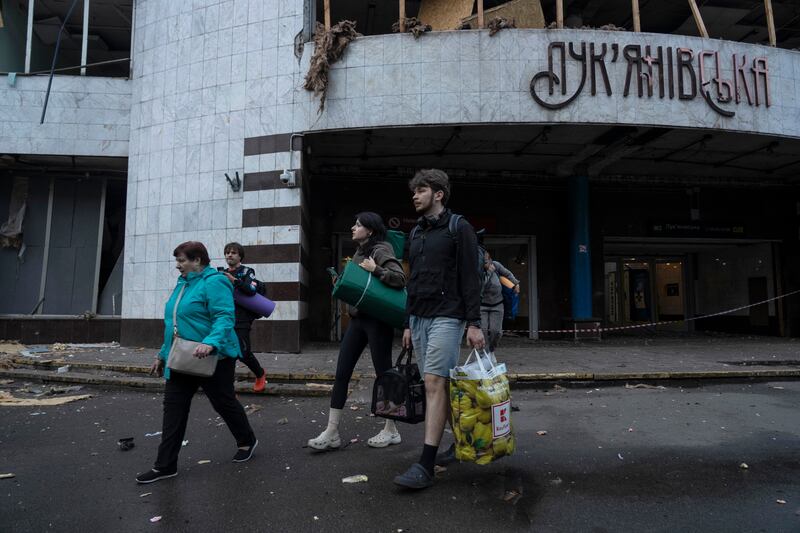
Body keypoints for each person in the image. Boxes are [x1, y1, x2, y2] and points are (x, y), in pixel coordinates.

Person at [136, 241, 258, 484]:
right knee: (173, 409)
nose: (178, 266)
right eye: (177, 261)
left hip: (214, 357)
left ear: (198, 261)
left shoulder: (215, 282)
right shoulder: (182, 284)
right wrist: (162, 355)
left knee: (223, 402)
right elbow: (173, 325)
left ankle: (247, 440)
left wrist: (210, 342)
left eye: (182, 261)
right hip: (181, 356)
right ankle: (165, 465)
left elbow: (224, 317)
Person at [393, 169, 485, 490]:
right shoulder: (416, 232)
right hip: (419, 316)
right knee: (441, 385)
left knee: (433, 381)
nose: (414, 196)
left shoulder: (459, 228)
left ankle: (426, 464)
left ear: (438, 194)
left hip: (448, 315)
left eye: (420, 191)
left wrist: (473, 322)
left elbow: (470, 277)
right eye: (414, 192)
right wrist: (407, 321)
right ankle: (464, 443)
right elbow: (412, 280)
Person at [308, 212, 407, 450]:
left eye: (358, 225)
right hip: (358, 320)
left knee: (384, 374)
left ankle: (391, 430)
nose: (353, 228)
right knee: (342, 373)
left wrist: (377, 270)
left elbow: (400, 278)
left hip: (377, 322)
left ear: (370, 230)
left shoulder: (380, 250)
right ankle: (332, 432)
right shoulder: (360, 252)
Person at [218, 242, 267, 392]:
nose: (229, 255)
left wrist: (234, 281)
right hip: (225, 317)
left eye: (233, 253)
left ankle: (260, 373)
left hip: (242, 318)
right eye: (227, 253)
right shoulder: (220, 273)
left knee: (243, 352)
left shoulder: (247, 271)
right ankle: (226, 384)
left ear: (240, 256)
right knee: (226, 352)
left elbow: (251, 290)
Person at [481, 250, 520, 353]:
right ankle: (483, 355)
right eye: (482, 262)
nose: (484, 264)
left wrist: (515, 283)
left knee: (496, 332)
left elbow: (507, 274)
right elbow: (481, 285)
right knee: (482, 331)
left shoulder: (496, 265)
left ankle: (491, 351)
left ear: (490, 260)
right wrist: (489, 272)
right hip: (481, 305)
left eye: (485, 261)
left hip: (497, 304)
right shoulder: (477, 269)